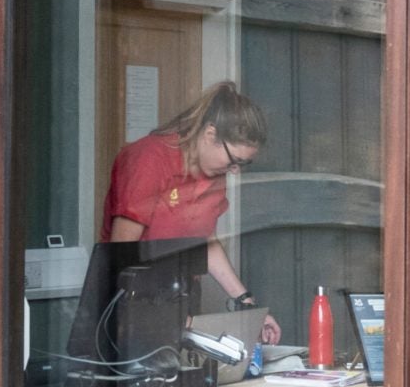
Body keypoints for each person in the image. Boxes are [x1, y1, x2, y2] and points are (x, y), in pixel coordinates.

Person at [100, 82, 280, 344]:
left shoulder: (214, 174)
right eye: (234, 161)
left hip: (178, 297)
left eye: (243, 164)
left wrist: (247, 305)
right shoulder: (150, 158)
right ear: (210, 134)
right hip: (133, 301)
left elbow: (206, 243)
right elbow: (121, 255)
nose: (235, 171)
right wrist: (158, 315)